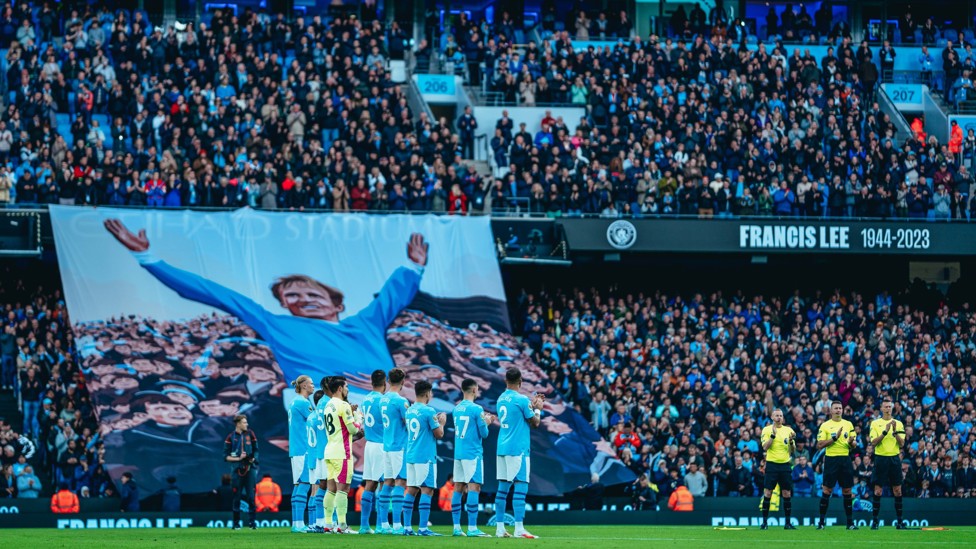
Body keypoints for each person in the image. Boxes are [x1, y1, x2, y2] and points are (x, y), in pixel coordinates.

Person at [101, 219, 429, 394]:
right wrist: (149, 259)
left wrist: (414, 267)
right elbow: (213, 293)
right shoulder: (275, 325)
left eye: (311, 293)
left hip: (389, 403)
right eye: (293, 297)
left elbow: (393, 295)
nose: (303, 300)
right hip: (328, 409)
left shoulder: (365, 324)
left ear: (336, 302)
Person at [494, 367, 545, 539]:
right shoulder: (522, 399)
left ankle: (500, 529)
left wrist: (530, 405)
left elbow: (517, 414)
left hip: (502, 448)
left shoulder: (500, 399)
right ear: (521, 382)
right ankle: (519, 529)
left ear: (505, 381)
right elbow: (535, 422)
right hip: (518, 449)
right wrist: (538, 408)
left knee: (502, 490)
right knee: (520, 487)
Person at [402, 379, 447, 536]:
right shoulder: (429, 411)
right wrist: (442, 422)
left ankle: (407, 527)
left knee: (412, 490)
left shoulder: (410, 411)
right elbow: (439, 434)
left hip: (411, 455)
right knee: (427, 490)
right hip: (425, 456)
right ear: (428, 393)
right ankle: (422, 528)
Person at [451, 378, 494, 537]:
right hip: (472, 454)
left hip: (459, 454)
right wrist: (487, 421)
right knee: (474, 487)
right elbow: (484, 433)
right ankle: (472, 528)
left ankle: (456, 527)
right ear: (474, 390)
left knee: (458, 488)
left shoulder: (456, 409)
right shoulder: (477, 409)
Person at [322, 376, 362, 534]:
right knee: (343, 488)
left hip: (330, 450)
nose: (347, 390)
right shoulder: (343, 405)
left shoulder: (328, 405)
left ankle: (327, 524)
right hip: (342, 452)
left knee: (331, 489)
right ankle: (342, 526)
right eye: (346, 387)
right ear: (339, 388)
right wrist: (358, 417)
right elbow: (353, 430)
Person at [816, 401, 858, 530]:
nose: (838, 410)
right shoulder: (825, 425)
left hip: (845, 459)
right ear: (831, 410)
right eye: (836, 408)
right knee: (827, 490)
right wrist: (834, 439)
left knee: (847, 491)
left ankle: (850, 523)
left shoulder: (848, 424)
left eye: (840, 408)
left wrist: (851, 442)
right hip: (831, 459)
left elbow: (854, 445)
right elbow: (820, 444)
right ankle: (821, 522)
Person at [380, 368, 410, 534]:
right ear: (403, 381)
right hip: (399, 445)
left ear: (388, 381)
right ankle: (397, 525)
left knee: (388, 482)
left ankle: (384, 524)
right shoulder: (401, 401)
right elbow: (408, 423)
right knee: (400, 483)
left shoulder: (382, 400)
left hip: (387, 445)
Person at [869, 399, 907, 530]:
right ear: (881, 408)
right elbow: (873, 442)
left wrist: (895, 432)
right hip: (881, 459)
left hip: (894, 459)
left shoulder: (899, 423)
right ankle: (875, 521)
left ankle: (900, 522)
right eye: (885, 406)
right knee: (878, 490)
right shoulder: (875, 423)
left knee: (897, 490)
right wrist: (885, 432)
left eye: (890, 406)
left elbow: (902, 444)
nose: (888, 409)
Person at [359, 370, 387, 534]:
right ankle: (381, 525)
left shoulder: (366, 399)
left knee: (370, 484)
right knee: (384, 484)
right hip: (381, 444)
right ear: (385, 383)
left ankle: (364, 525)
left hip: (369, 445)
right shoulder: (383, 400)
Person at [760, 409, 797, 530]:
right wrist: (772, 436)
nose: (779, 418)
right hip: (772, 465)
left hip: (785, 465)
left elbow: (793, 451)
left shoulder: (788, 430)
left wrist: (791, 442)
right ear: (772, 417)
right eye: (776, 416)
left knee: (787, 493)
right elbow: (765, 447)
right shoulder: (767, 430)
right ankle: (764, 523)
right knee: (768, 492)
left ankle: (787, 523)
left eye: (781, 416)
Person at [288, 374, 314, 533]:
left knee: (298, 485)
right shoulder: (302, 403)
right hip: (303, 449)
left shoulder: (293, 402)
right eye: (311, 383)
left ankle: (297, 522)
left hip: (296, 449)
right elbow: (316, 422)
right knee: (304, 485)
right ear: (303, 385)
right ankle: (298, 524)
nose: (313, 386)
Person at [224, 414, 259, 530]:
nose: (247, 424)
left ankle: (252, 523)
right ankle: (236, 523)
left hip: (250, 469)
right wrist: (238, 459)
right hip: (236, 470)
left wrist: (254, 458)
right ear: (238, 424)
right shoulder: (230, 437)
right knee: (236, 497)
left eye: (246, 422)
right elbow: (226, 457)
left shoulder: (251, 434)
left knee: (251, 497)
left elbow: (256, 450)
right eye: (244, 422)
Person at [304, 387, 328, 533]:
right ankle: (320, 522)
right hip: (320, 455)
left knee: (314, 490)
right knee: (321, 489)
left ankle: (313, 523)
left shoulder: (311, 417)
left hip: (311, 455)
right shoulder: (321, 416)